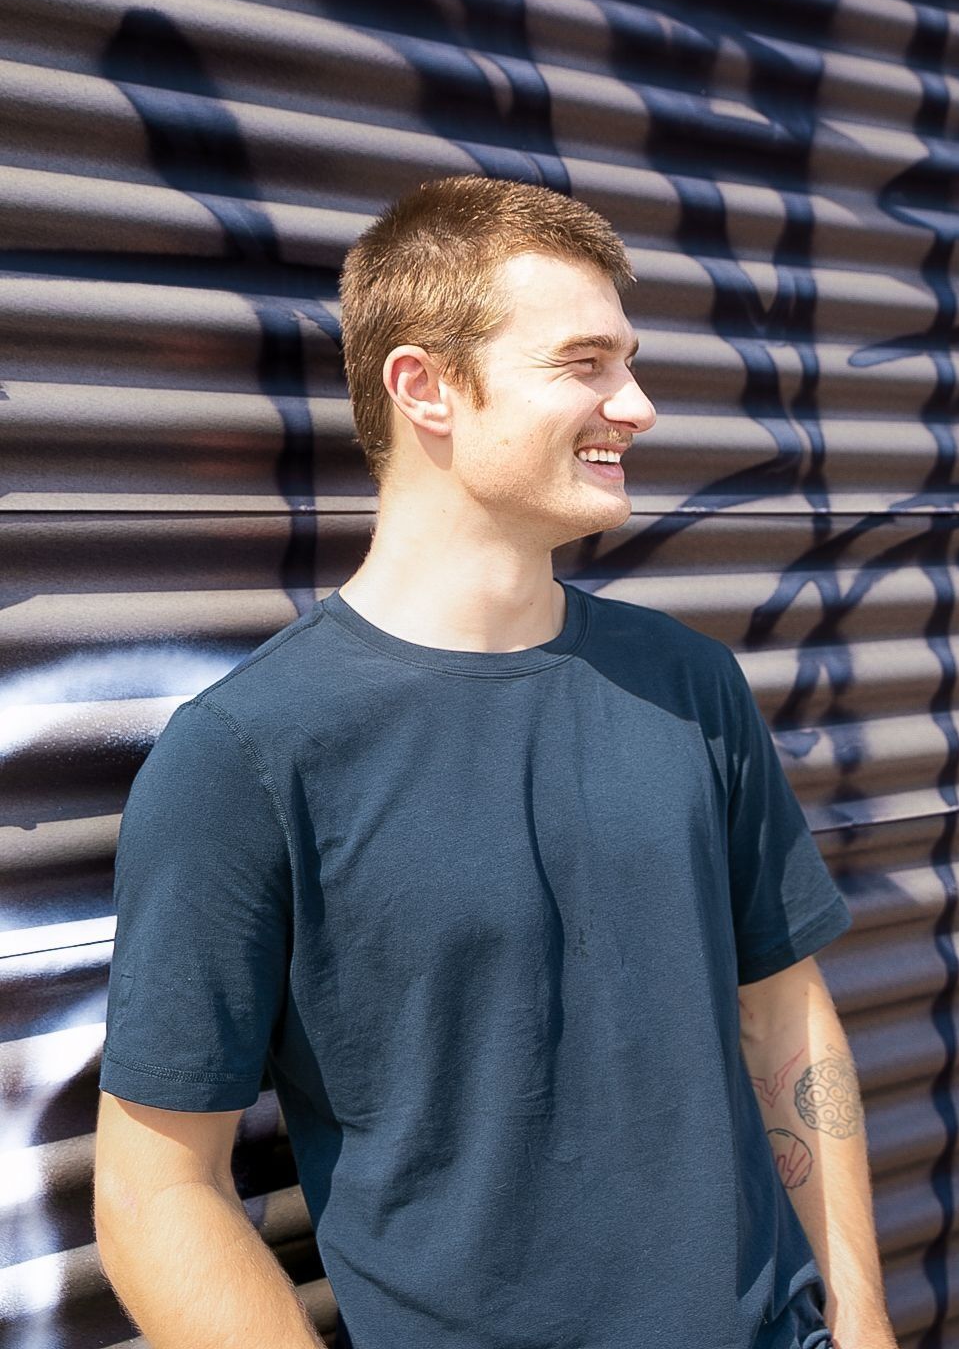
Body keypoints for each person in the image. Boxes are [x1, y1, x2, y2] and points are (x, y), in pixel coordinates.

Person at [94, 175, 897, 1349]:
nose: (639, 406)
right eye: (584, 363)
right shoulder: (250, 756)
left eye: (628, 361)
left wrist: (862, 1322)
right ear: (424, 387)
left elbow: (784, 1022)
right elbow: (155, 1189)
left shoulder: (685, 683)